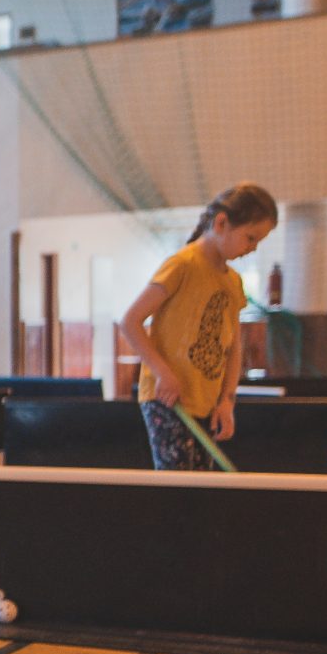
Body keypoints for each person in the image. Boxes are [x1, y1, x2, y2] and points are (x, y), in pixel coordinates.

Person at [119, 183, 278, 471]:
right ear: (221, 223)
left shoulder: (233, 282)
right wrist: (163, 374)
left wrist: (227, 401)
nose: (252, 249)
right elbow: (130, 321)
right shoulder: (182, 265)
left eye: (258, 242)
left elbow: (233, 347)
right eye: (250, 238)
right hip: (167, 400)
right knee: (179, 491)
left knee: (204, 490)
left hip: (207, 403)